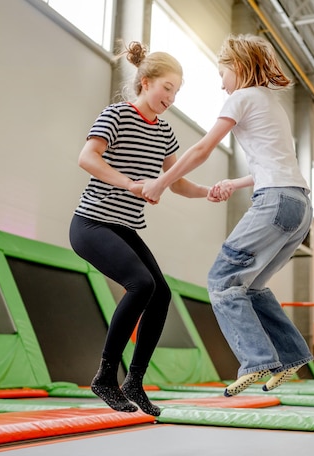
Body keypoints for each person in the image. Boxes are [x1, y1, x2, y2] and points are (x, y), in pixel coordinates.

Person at [142, 34, 314, 397]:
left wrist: (161, 182)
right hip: (299, 207)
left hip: (274, 202)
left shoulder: (242, 97)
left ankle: (256, 360)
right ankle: (293, 354)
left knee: (221, 280)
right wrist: (233, 184)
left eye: (222, 74)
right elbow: (274, 165)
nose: (221, 84)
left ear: (237, 66)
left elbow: (204, 147)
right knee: (250, 286)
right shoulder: (271, 103)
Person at [69, 41, 219, 416]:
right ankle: (105, 376)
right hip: (91, 223)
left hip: (125, 227)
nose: (171, 97)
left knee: (161, 294)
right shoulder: (116, 114)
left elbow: (176, 182)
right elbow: (87, 158)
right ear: (146, 82)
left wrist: (207, 192)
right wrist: (131, 184)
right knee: (142, 284)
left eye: (177, 92)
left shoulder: (165, 133)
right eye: (167, 88)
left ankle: (134, 381)